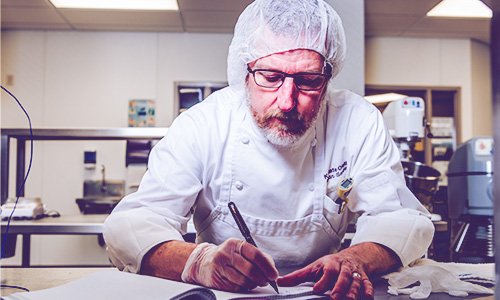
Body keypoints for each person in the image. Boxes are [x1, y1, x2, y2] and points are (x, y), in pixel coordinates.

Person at [103, 0, 435, 299]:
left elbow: (399, 219)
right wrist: (198, 261)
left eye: (308, 80)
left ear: (328, 75)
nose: (288, 101)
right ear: (244, 73)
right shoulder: (204, 124)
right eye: (270, 76)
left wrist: (354, 259)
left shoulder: (357, 121)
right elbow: (133, 224)